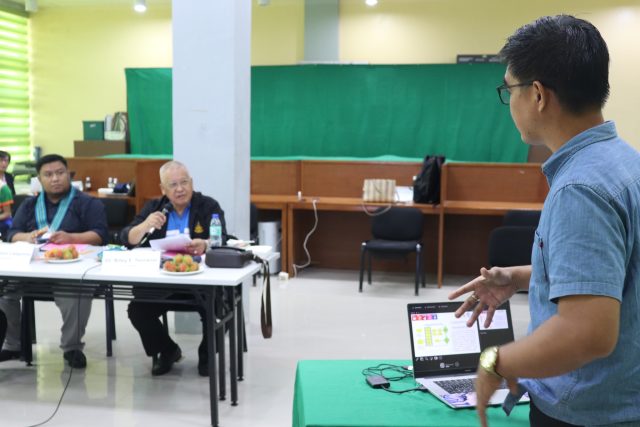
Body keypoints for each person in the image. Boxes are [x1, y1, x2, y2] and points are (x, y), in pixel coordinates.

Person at [448, 15, 640, 427]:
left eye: (509, 89)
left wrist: (497, 361)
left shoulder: (580, 188)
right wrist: (522, 277)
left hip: (587, 413)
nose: (509, 102)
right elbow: (615, 274)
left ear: (537, 95)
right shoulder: (626, 163)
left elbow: (587, 332)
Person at [0, 154, 108, 368]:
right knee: (4, 290)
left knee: (76, 294)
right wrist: (28, 237)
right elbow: (11, 234)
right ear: (39, 179)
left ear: (69, 174)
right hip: (31, 269)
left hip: (70, 270)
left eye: (60, 173)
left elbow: (100, 234)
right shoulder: (30, 204)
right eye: (48, 175)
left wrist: (72, 238)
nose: (55, 178)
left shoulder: (87, 203)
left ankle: (72, 347)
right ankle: (13, 344)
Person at [120, 161, 228, 376]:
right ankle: (167, 350)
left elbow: (223, 237)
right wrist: (145, 225)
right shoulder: (155, 208)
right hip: (163, 282)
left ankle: (207, 353)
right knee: (138, 310)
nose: (180, 189)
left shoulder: (208, 206)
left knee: (220, 307)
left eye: (184, 183)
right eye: (173, 185)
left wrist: (205, 243)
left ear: (192, 183)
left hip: (200, 282)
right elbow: (126, 238)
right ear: (163, 189)